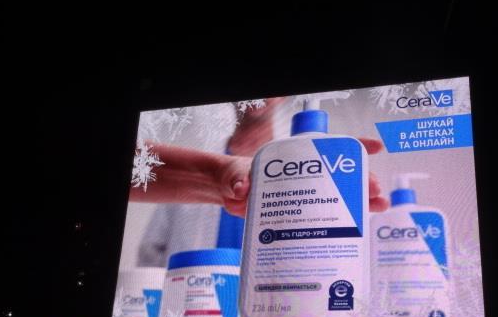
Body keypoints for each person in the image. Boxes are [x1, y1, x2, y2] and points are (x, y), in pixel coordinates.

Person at [130, 99, 389, 267]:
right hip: (196, 312)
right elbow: (151, 256)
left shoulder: (317, 175)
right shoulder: (190, 171)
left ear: (284, 97)